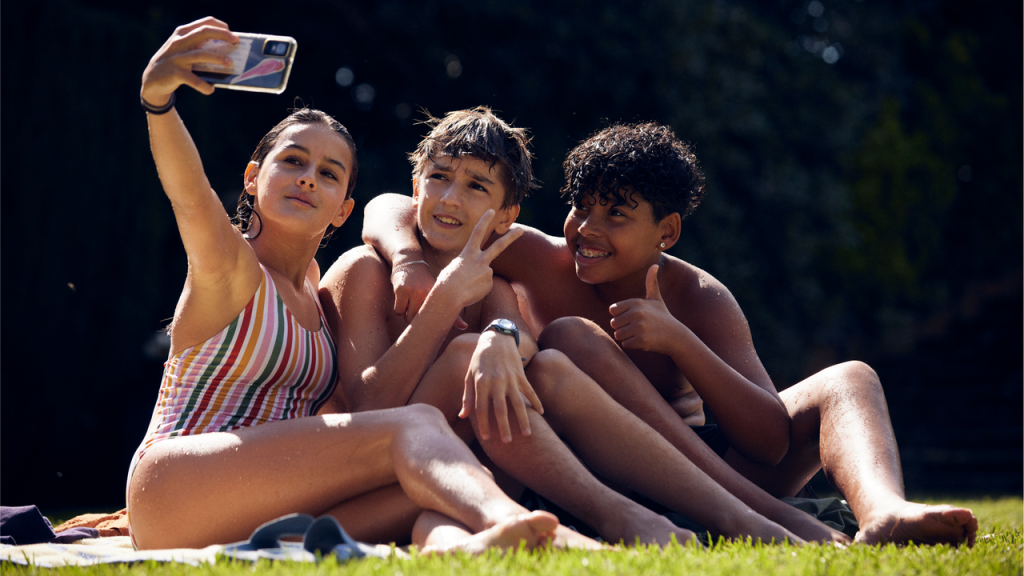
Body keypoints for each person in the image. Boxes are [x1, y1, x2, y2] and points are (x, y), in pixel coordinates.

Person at [362, 122, 979, 546]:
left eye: (617, 215)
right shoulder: (532, 255)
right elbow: (392, 203)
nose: (587, 231)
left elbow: (767, 441)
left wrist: (680, 341)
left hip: (718, 464)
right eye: (582, 208)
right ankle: (762, 519)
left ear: (668, 232)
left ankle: (885, 511)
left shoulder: (698, 297)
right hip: (606, 467)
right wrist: (409, 262)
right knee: (573, 337)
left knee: (852, 377)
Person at [126, 17, 566, 553]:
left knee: (439, 478)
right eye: (292, 161)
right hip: (175, 485)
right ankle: (551, 536)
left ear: (343, 211)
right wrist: (159, 104)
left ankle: (465, 544)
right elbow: (191, 197)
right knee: (416, 424)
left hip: (264, 496)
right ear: (251, 177)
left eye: (329, 173)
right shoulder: (232, 268)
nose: (309, 176)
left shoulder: (315, 288)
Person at [320, 108, 800, 546]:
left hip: (458, 478)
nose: (450, 197)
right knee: (502, 355)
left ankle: (589, 536)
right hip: (374, 472)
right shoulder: (367, 268)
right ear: (417, 186)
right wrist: (422, 277)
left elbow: (514, 331)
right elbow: (369, 409)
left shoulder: (494, 273)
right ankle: (634, 517)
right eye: (439, 179)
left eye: (476, 187)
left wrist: (503, 339)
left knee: (523, 369)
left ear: (506, 218)